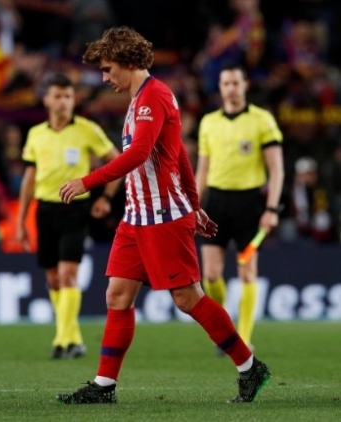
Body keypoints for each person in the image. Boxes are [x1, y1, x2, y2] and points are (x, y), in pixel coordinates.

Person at [56, 26, 271, 404]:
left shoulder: (153, 96)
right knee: (117, 295)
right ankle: (104, 386)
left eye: (107, 69)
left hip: (162, 216)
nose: (104, 78)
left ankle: (249, 366)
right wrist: (195, 203)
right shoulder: (140, 98)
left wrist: (87, 181)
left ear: (126, 61)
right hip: (136, 217)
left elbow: (140, 153)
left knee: (187, 298)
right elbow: (180, 155)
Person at [16, 72, 121, 359]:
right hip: (45, 209)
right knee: (53, 279)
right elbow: (29, 179)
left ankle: (61, 340)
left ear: (74, 100)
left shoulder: (87, 129)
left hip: (75, 209)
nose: (63, 101)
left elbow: (117, 163)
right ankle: (73, 338)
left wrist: (106, 198)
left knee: (67, 274)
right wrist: (21, 220)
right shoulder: (36, 134)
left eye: (68, 96)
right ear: (47, 100)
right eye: (58, 96)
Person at [195, 64, 284, 354]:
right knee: (211, 275)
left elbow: (277, 169)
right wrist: (193, 205)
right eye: (226, 83)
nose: (231, 88)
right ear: (220, 87)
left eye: (235, 83)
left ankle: (243, 338)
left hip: (249, 204)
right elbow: (202, 169)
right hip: (215, 204)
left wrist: (271, 209)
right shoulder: (208, 122)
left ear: (245, 85)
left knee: (247, 272)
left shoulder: (262, 120)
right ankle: (225, 330)